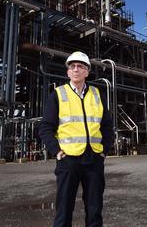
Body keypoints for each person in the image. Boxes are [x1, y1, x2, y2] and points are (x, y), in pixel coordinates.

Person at [39, 51, 114, 227]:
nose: (76, 70)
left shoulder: (97, 95)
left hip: (94, 159)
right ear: (68, 72)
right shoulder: (58, 95)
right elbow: (45, 128)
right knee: (64, 211)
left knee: (95, 211)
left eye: (80, 66)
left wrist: (104, 151)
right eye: (72, 67)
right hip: (68, 160)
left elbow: (107, 126)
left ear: (87, 71)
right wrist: (57, 151)